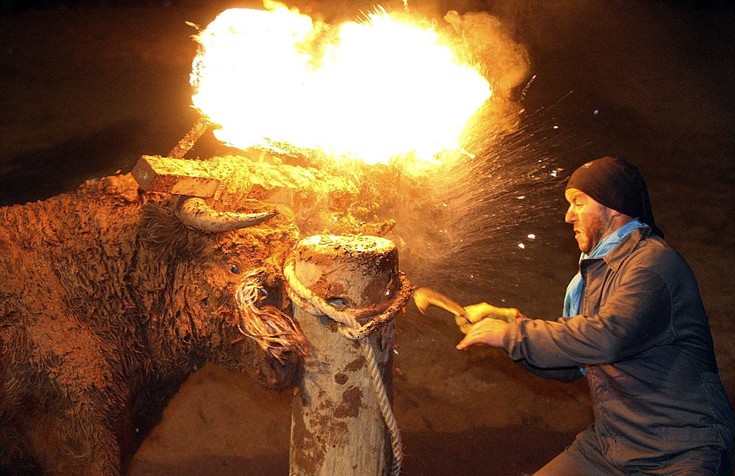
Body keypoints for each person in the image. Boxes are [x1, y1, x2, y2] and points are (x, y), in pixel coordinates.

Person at [456, 156, 735, 475]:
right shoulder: (593, 275)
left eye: (578, 203)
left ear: (613, 206)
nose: (568, 216)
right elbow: (574, 363)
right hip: (612, 447)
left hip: (680, 452)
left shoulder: (653, 265)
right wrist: (511, 329)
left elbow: (607, 338)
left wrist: (515, 335)